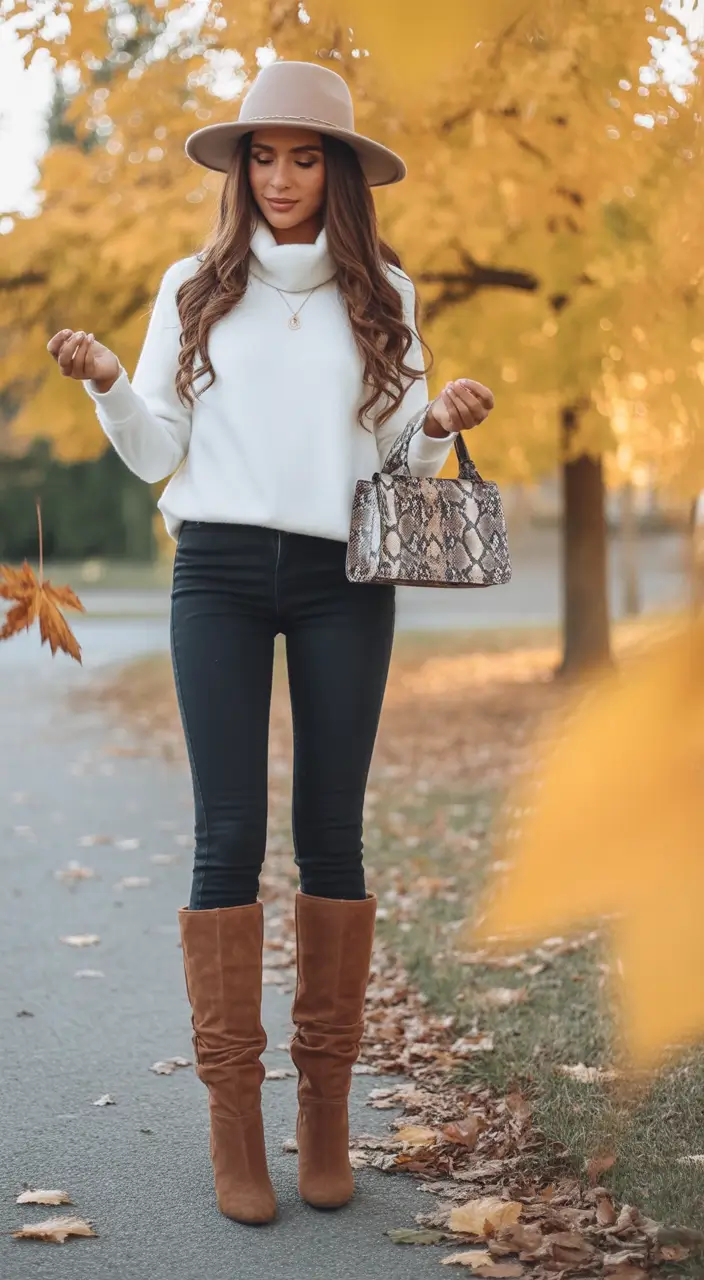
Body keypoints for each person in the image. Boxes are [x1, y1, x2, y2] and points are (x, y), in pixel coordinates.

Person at [46, 60, 494, 1226]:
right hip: (221, 572)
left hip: (348, 573)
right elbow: (155, 451)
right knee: (227, 834)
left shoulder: (383, 292)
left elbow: (396, 464)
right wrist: (105, 382)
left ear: (336, 172)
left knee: (331, 830)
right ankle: (235, 1123)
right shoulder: (190, 285)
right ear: (238, 167)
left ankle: (327, 1121)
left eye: (304, 156)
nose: (281, 176)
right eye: (262, 154)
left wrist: (434, 423)